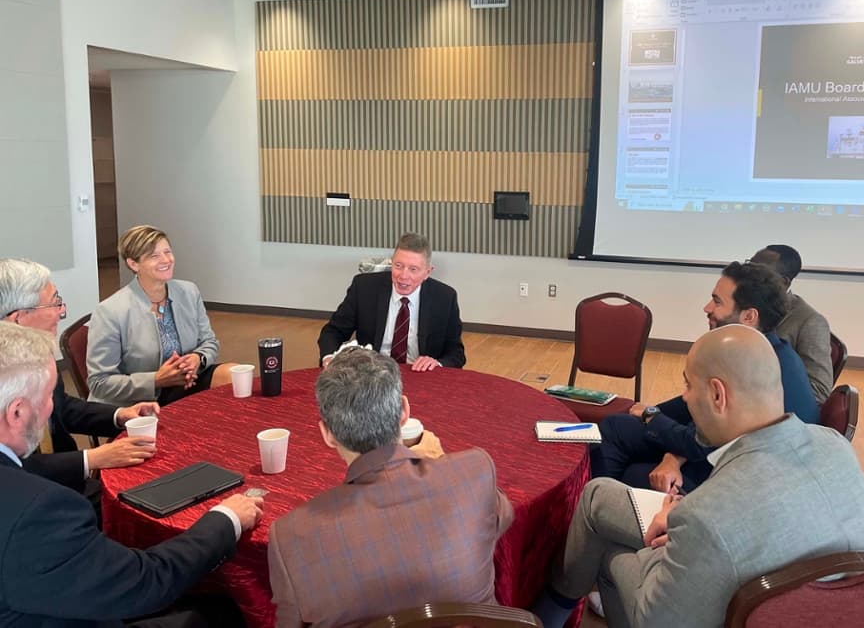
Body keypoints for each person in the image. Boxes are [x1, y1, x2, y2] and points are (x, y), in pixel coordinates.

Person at [533, 324, 864, 628]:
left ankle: (550, 611)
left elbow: (655, 617)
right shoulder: (835, 446)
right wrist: (687, 523)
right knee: (598, 495)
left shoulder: (706, 516)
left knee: (608, 545)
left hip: (720, 603)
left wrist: (680, 531)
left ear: (717, 394)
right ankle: (554, 609)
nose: (684, 397)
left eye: (687, 385)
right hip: (807, 604)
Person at [0, 321, 264, 627]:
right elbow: (148, 582)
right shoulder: (40, 509)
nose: (51, 408)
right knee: (226, 610)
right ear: (17, 412)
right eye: (48, 397)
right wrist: (225, 518)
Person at [268, 348, 513, 628]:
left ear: (327, 434)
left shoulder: (291, 535)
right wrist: (438, 462)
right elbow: (500, 519)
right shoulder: (474, 472)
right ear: (404, 412)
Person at [595, 261, 818, 494]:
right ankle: (599, 502)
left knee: (633, 467)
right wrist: (649, 414)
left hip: (736, 480)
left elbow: (700, 440)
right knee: (619, 425)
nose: (707, 307)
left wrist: (652, 418)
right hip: (725, 456)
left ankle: (596, 505)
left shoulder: (749, 365)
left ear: (749, 316)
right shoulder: (773, 351)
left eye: (717, 301)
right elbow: (692, 412)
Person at [0, 259, 160, 494]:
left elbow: (62, 407)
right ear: (18, 318)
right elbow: (11, 470)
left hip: (67, 477)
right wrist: (91, 458)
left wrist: (119, 415)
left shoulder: (37, 356)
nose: (61, 312)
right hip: (30, 497)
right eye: (54, 304)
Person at [88, 225, 236, 407]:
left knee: (235, 375)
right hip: (138, 400)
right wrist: (156, 380)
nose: (166, 260)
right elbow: (99, 383)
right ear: (133, 264)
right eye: (154, 256)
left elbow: (209, 342)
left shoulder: (189, 291)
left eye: (167, 252)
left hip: (185, 384)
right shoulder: (110, 311)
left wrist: (198, 358)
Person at [318, 233, 465, 371]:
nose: (403, 275)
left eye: (413, 269)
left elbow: (456, 353)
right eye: (398, 266)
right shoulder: (364, 288)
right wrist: (329, 357)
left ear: (427, 272)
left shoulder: (445, 298)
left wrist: (437, 363)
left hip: (419, 374)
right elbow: (333, 332)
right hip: (371, 375)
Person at [750, 244, 835, 402]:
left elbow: (819, 391)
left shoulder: (810, 322)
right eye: (749, 266)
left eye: (758, 272)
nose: (746, 276)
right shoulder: (743, 305)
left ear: (782, 282)